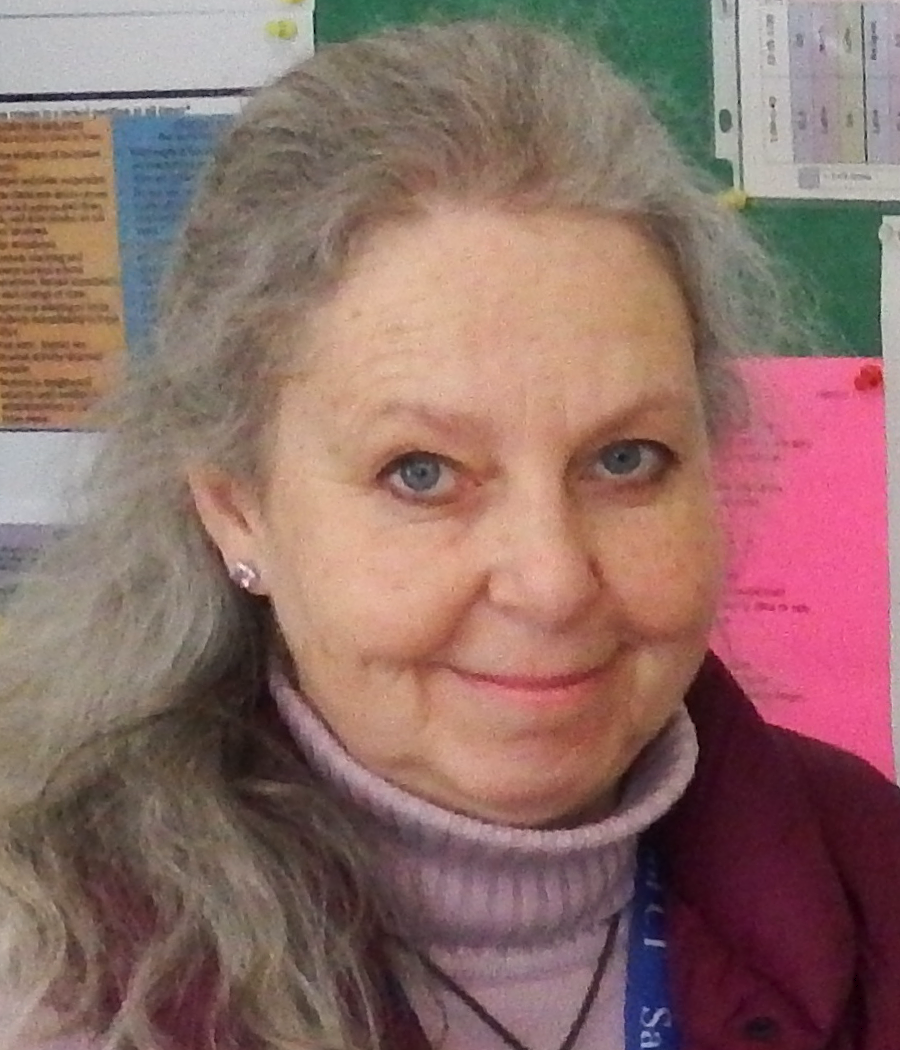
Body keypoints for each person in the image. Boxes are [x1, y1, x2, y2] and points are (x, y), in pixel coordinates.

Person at [1, 18, 898, 1050]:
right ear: (236, 509)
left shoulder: (872, 871)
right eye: (421, 474)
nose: (553, 581)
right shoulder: (48, 973)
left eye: (625, 460)